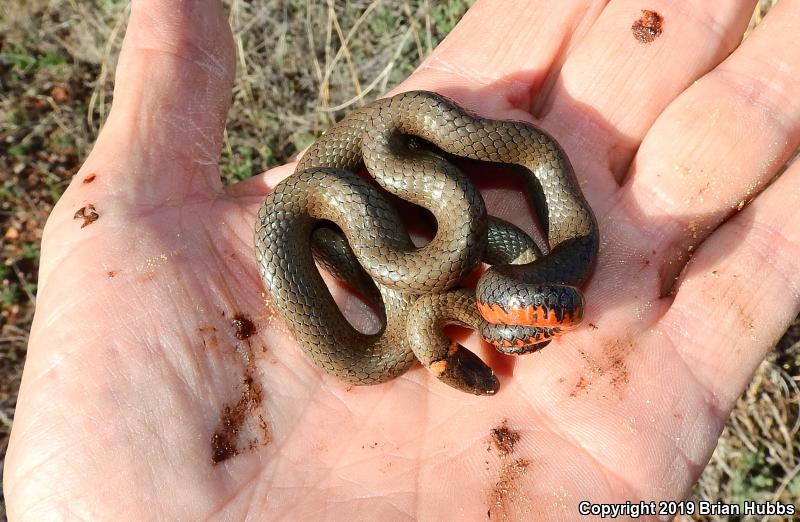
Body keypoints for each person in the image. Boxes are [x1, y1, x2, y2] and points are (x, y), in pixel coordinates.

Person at [5, 0, 800, 519]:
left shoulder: (460, 279)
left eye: (472, 363)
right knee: (405, 216)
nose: (486, 364)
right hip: (402, 228)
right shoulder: (414, 283)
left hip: (429, 221)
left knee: (470, 213)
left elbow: (469, 282)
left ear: (454, 347)